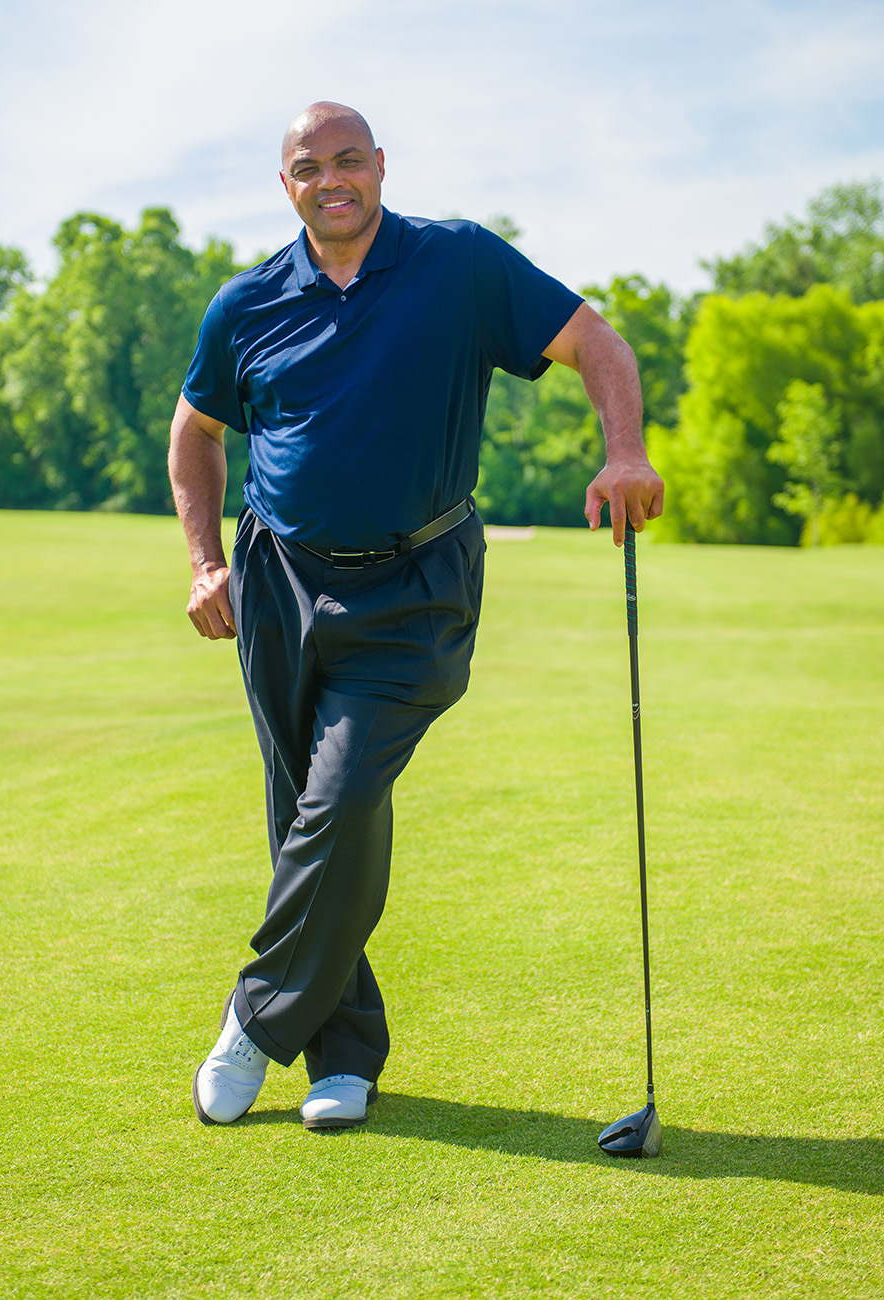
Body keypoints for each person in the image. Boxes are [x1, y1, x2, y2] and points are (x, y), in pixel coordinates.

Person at [168, 101, 664, 1132]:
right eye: (311, 167)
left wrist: (623, 452)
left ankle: (255, 1021)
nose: (331, 179)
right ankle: (342, 1060)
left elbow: (598, 345)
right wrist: (207, 562)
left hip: (417, 584)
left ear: (381, 167)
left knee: (340, 800)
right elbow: (195, 433)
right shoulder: (248, 302)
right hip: (280, 582)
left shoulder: (460, 266)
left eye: (350, 160)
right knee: (302, 813)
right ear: (287, 184)